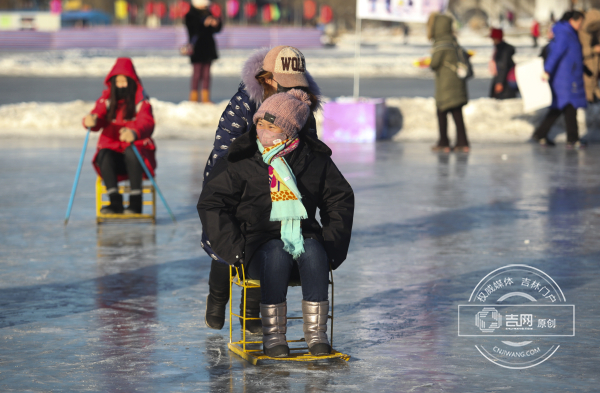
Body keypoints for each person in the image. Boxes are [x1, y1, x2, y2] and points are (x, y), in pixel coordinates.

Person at [197, 89, 354, 357]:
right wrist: (235, 249)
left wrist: (332, 245)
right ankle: (273, 336)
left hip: (303, 236)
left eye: (273, 126)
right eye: (260, 124)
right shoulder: (241, 159)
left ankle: (317, 335)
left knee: (315, 252)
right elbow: (213, 203)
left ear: (291, 130)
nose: (264, 131)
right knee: (276, 254)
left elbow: (339, 198)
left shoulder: (313, 159)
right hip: (257, 244)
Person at [200, 46, 322, 335]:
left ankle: (250, 310)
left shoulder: (301, 106)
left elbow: (312, 150)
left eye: (296, 84)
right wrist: (246, 175)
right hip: (239, 185)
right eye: (284, 84)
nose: (290, 91)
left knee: (265, 244)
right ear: (266, 78)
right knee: (226, 249)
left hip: (279, 188)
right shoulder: (244, 103)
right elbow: (224, 147)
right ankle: (217, 299)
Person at [82, 57, 156, 214]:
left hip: (137, 156)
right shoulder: (107, 100)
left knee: (131, 152)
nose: (121, 85)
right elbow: (98, 115)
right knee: (103, 154)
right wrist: (91, 120)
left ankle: (136, 203)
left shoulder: (141, 101)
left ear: (132, 81)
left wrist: (135, 133)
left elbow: (147, 122)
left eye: (125, 81)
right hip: (113, 156)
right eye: (118, 81)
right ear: (112, 82)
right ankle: (115, 202)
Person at [531, 11, 587, 148]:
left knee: (559, 107)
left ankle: (541, 133)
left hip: (569, 76)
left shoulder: (569, 33)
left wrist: (585, 69)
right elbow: (555, 54)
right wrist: (547, 70)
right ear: (572, 21)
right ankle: (572, 139)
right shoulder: (564, 34)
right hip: (565, 78)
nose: (580, 25)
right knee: (569, 106)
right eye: (579, 22)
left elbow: (573, 56)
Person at [428, 13, 470, 153]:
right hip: (458, 84)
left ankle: (443, 142)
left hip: (445, 86)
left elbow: (434, 64)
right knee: (457, 113)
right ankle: (462, 143)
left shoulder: (440, 42)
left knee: (441, 112)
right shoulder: (454, 41)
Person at [184, 0, 221, 103]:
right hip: (197, 48)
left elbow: (217, 29)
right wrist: (203, 23)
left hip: (208, 47)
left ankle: (205, 98)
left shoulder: (209, 13)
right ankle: (194, 98)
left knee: (206, 74)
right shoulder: (190, 15)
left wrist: (216, 23)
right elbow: (192, 29)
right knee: (197, 73)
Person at [489, 28, 518, 100]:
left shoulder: (503, 50)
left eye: (493, 38)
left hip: (505, 82)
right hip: (504, 80)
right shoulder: (500, 48)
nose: (492, 40)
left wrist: (499, 82)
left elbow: (502, 67)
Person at [579, 9, 600, 103]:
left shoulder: (596, 32)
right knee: (588, 90)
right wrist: (593, 50)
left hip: (595, 69)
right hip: (586, 68)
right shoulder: (581, 33)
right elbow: (578, 52)